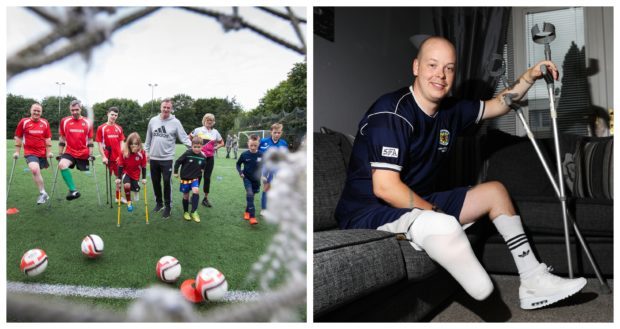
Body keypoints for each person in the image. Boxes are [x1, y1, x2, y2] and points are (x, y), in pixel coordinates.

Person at [335, 36, 586, 310]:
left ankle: (533, 279)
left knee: (494, 192)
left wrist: (530, 76)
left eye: (449, 68)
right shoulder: (393, 112)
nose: (440, 75)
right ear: (416, 67)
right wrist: (435, 212)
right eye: (432, 65)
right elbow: (385, 187)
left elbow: (499, 104)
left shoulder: (450, 110)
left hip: (417, 199)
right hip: (368, 210)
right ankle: (439, 229)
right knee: (438, 223)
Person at [144, 98, 191, 219]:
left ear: (171, 109)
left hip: (167, 158)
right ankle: (159, 204)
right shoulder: (153, 121)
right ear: (161, 107)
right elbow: (148, 139)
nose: (166, 109)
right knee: (155, 182)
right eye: (164, 107)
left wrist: (196, 149)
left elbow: (184, 138)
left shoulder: (176, 122)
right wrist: (146, 152)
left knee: (166, 182)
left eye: (168, 108)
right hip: (153, 158)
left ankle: (168, 206)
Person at [13, 103, 53, 204]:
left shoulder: (45, 123)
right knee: (35, 169)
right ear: (31, 111)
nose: (36, 112)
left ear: (41, 112)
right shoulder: (24, 122)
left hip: (42, 153)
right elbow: (18, 137)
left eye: (38, 111)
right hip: (30, 152)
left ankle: (43, 193)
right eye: (34, 110)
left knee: (37, 171)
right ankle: (43, 193)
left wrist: (49, 152)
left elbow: (47, 138)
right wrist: (17, 152)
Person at [57, 100, 94, 201]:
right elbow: (62, 138)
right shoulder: (64, 121)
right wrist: (60, 153)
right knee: (62, 164)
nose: (74, 112)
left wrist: (91, 154)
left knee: (83, 168)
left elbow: (90, 139)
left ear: (81, 109)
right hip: (70, 152)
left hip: (83, 153)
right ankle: (73, 190)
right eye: (72, 110)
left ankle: (73, 190)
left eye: (77, 110)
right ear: (70, 109)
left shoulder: (88, 122)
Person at [188, 113, 224, 208]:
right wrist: (192, 148)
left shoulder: (215, 132)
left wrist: (216, 147)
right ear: (204, 120)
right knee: (197, 176)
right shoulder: (198, 130)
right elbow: (189, 138)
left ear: (213, 122)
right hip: (199, 157)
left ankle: (205, 199)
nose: (209, 122)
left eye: (211, 120)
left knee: (207, 178)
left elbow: (222, 142)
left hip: (210, 158)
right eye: (207, 120)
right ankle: (193, 196)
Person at [173, 136, 207, 223]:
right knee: (186, 196)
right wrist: (176, 172)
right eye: (195, 147)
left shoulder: (202, 157)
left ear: (201, 147)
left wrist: (202, 170)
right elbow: (177, 162)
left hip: (194, 179)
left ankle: (194, 211)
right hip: (185, 178)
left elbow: (203, 165)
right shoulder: (187, 153)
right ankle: (186, 212)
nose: (196, 149)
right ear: (192, 146)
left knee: (196, 191)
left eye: (199, 147)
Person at [96, 106, 125, 202]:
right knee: (112, 177)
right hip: (108, 158)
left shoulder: (119, 128)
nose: (114, 117)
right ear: (107, 114)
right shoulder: (101, 128)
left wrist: (121, 156)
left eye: (116, 115)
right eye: (112, 114)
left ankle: (118, 197)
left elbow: (122, 143)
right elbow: (99, 144)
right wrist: (103, 157)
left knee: (119, 178)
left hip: (118, 158)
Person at [258, 123, 288, 212]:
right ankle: (264, 209)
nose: (276, 134)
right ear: (271, 132)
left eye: (279, 133)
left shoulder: (283, 143)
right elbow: (258, 154)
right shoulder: (263, 141)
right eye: (275, 132)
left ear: (281, 133)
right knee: (266, 186)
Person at [116, 132, 147, 212]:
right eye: (131, 144)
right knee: (126, 185)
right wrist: (119, 178)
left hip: (136, 174)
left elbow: (143, 166)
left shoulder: (142, 153)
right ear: (128, 144)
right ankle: (129, 202)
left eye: (136, 144)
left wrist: (144, 178)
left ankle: (136, 189)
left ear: (139, 144)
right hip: (126, 172)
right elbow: (120, 165)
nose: (134, 146)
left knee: (136, 189)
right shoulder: (124, 152)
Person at [236, 134, 262, 225]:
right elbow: (238, 164)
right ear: (248, 144)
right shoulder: (244, 154)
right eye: (251, 145)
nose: (253, 147)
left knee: (251, 196)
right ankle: (252, 217)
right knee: (250, 194)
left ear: (258, 145)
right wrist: (240, 172)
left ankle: (247, 212)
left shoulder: (261, 155)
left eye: (255, 145)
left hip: (256, 180)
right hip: (246, 178)